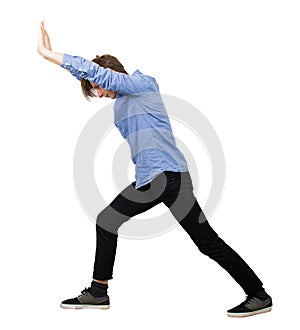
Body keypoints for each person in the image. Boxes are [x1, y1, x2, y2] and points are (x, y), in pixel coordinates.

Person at [37, 21, 272, 318]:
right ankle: (258, 294)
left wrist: (49, 54)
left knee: (118, 222)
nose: (97, 93)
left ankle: (99, 292)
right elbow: (91, 76)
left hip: (167, 177)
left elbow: (95, 71)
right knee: (120, 223)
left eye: (97, 87)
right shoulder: (121, 102)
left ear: (111, 76)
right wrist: (68, 70)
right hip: (155, 179)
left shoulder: (141, 84)